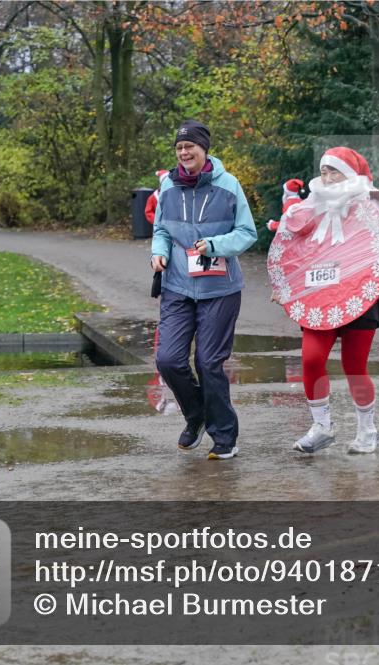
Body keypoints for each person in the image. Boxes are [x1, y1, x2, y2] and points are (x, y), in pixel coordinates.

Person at [267, 147, 379, 454]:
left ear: (351, 174)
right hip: (320, 299)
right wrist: (286, 286)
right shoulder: (309, 209)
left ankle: (367, 430)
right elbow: (295, 253)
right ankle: (321, 427)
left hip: (361, 295)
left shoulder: (371, 204)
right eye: (324, 171)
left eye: (335, 171)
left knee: (354, 365)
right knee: (311, 358)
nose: (328, 178)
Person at [151, 119, 257, 460]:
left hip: (220, 288)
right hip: (177, 286)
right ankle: (195, 414)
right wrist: (159, 252)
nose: (184, 152)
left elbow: (247, 232)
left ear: (203, 149)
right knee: (167, 359)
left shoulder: (229, 185)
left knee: (209, 362)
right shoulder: (167, 186)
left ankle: (224, 435)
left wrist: (213, 244)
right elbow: (162, 230)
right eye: (179, 148)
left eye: (190, 147)